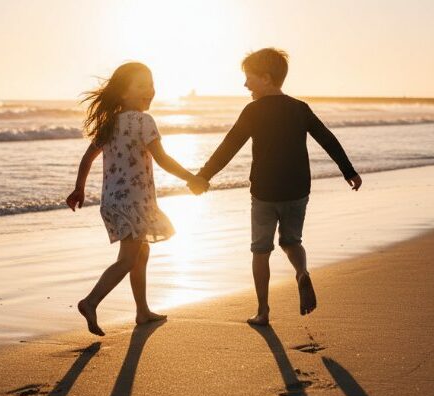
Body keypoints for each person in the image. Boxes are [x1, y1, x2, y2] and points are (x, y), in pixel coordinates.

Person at [192, 48, 361, 326]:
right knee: (292, 241)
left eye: (249, 78)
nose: (245, 85)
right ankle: (301, 272)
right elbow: (327, 139)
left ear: (267, 78)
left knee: (261, 250)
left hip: (265, 193)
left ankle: (263, 311)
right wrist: (349, 171)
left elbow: (229, 146)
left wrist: (203, 176)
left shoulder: (253, 111)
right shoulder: (299, 108)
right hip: (297, 190)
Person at [66, 62, 209, 336]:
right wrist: (191, 178)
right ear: (122, 93)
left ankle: (142, 312)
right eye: (142, 85)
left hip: (111, 202)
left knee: (141, 253)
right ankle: (91, 301)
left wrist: (79, 189)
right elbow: (163, 159)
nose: (150, 90)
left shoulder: (110, 123)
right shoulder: (144, 122)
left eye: (151, 84)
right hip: (134, 202)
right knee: (128, 259)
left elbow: (87, 158)